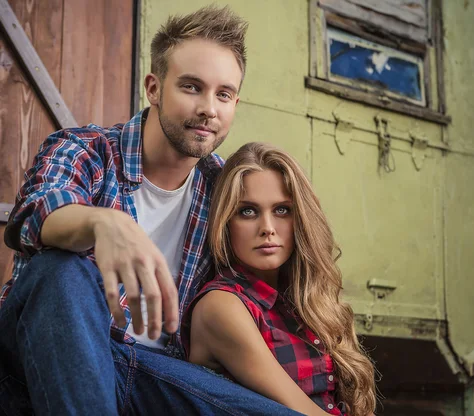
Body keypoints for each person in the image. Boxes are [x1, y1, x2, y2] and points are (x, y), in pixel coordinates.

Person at [0, 6, 301, 415]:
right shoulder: (85, 149)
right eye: (192, 87)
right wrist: (103, 222)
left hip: (147, 371)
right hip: (40, 355)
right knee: (61, 269)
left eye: (224, 94)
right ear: (154, 88)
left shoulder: (222, 188)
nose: (209, 108)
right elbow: (34, 212)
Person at [183, 142, 378, 416]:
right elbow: (299, 412)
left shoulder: (306, 299)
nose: (268, 229)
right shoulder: (221, 306)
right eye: (247, 211)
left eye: (282, 210)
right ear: (226, 222)